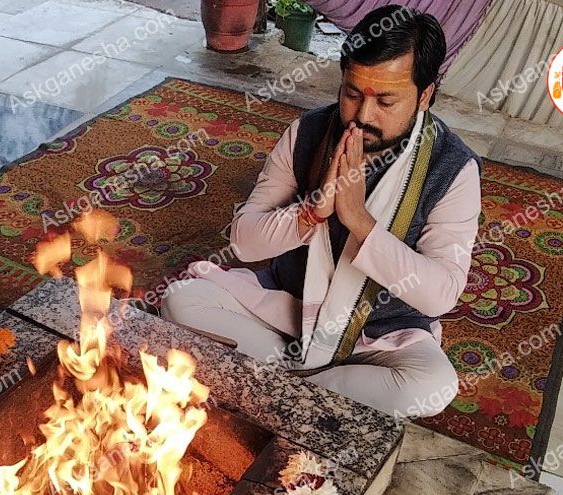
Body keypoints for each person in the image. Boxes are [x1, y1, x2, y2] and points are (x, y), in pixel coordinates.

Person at [160, 4, 481, 419]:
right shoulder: (307, 132)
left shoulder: (453, 168)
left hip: (380, 337)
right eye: (352, 94)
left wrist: (359, 221)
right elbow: (244, 242)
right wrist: (312, 212)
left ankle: (276, 387)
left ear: (425, 95)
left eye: (386, 101)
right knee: (182, 300)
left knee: (433, 386)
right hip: (287, 311)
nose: (363, 117)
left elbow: (441, 294)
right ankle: (313, 397)